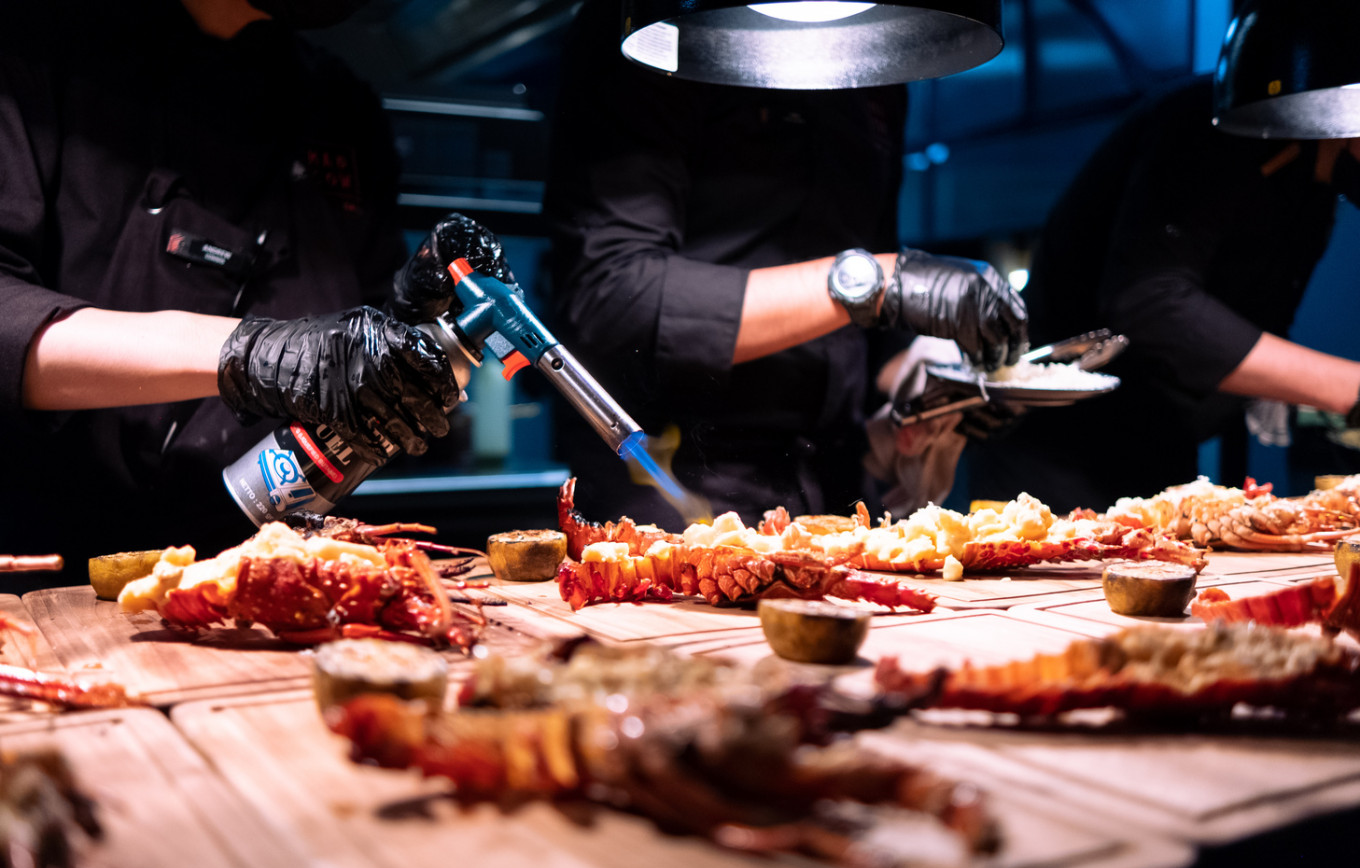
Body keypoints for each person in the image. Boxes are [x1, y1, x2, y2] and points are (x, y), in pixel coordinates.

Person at [0, 0, 511, 587]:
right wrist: (251, 356)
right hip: (54, 571)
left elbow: (357, 366)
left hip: (279, 568)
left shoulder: (339, 104)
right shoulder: (33, 51)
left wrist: (412, 329)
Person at [540, 0, 1029, 531]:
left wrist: (930, 385)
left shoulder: (882, 39)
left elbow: (865, 303)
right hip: (672, 492)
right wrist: (880, 284)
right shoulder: (654, 21)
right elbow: (612, 297)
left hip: (838, 488)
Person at [964, 71, 1360, 514]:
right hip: (1055, 457)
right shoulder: (1215, 122)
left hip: (1162, 451)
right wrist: (1351, 388)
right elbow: (1150, 302)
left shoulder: (1314, 185)